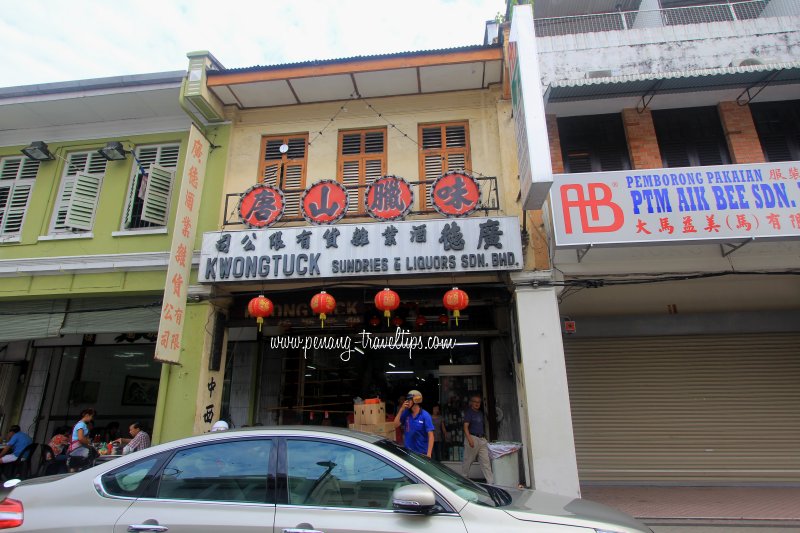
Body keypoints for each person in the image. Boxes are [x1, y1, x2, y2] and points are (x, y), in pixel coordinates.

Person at [462, 395, 493, 484]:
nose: (477, 403)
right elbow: (465, 427)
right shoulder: (469, 413)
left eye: (479, 402)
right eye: (475, 401)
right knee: (468, 461)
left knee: (486, 462)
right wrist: (469, 439)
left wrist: (485, 438)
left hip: (482, 439)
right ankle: (464, 480)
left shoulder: (480, 413)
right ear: (471, 402)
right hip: (472, 438)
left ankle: (491, 483)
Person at [393, 389, 434, 457]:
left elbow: (431, 436)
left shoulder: (425, 415)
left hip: (421, 454)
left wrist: (429, 454)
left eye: (409, 400)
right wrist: (401, 410)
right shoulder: (406, 413)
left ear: (416, 401)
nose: (407, 402)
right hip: (408, 453)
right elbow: (395, 425)